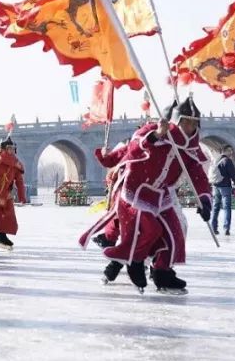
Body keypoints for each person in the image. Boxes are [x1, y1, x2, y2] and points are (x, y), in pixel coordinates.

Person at [81, 96, 213, 294]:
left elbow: (197, 174)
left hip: (162, 195)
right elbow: (130, 152)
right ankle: (128, 262)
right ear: (176, 121)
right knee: (147, 230)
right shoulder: (150, 132)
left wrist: (204, 199)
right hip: (136, 191)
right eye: (186, 122)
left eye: (194, 123)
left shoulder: (191, 148)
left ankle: (162, 273)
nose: (190, 127)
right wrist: (156, 136)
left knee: (175, 233)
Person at [210, 147, 235, 235]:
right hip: (225, 187)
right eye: (230, 151)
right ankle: (226, 228)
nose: (231, 152)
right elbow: (233, 175)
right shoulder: (227, 161)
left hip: (215, 186)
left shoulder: (216, 160)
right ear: (225, 151)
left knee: (215, 207)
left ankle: (213, 227)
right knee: (227, 207)